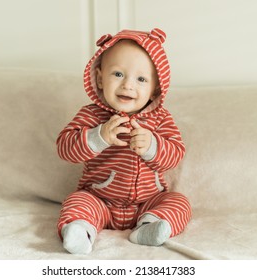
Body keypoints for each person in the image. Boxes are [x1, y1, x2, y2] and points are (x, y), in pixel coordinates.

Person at [56, 28, 191, 254]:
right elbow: (65, 148)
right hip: (100, 200)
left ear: (154, 88)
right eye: (118, 74)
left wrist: (152, 146)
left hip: (148, 202)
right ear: (100, 79)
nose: (128, 85)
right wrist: (99, 136)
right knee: (77, 200)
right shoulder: (92, 115)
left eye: (141, 79)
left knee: (179, 202)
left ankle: (149, 226)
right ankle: (81, 229)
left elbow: (175, 154)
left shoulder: (160, 119)